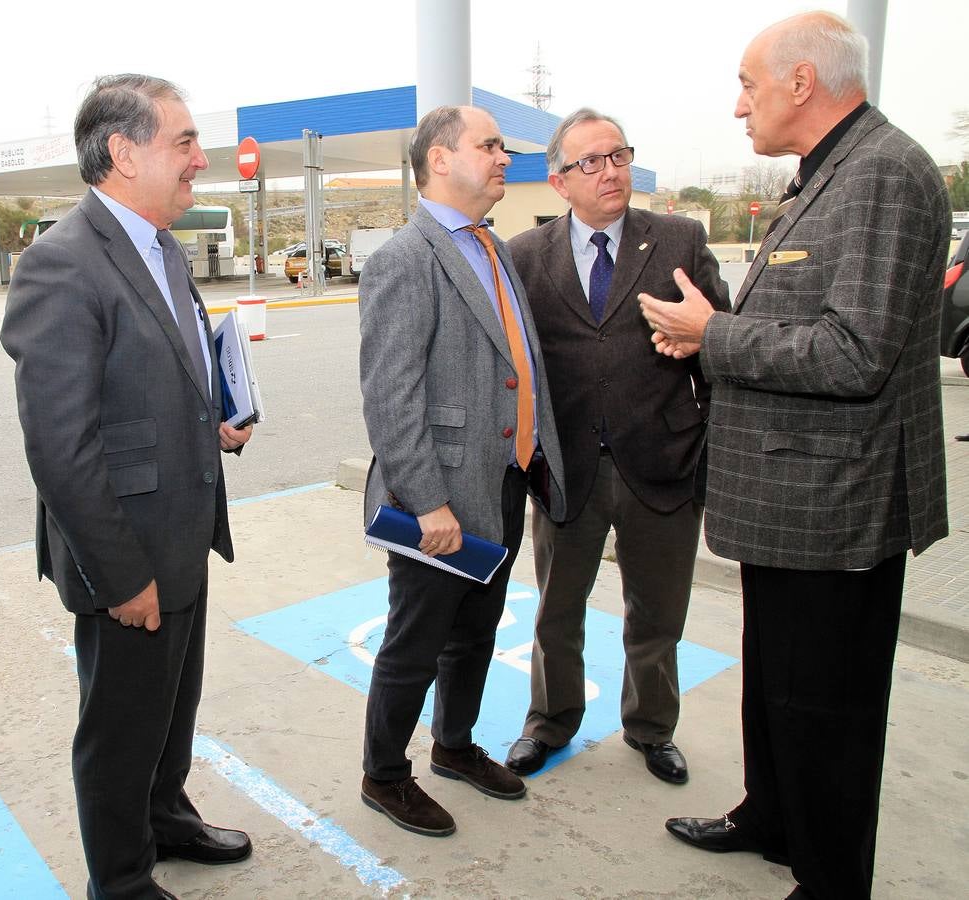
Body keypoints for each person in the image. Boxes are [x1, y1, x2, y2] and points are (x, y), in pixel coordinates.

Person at [639, 12, 949, 900]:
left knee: (827, 712)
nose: (739, 107)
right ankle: (770, 817)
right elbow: (801, 321)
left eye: (748, 84)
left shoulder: (883, 174)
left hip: (837, 506)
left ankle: (826, 879)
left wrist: (716, 336)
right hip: (791, 498)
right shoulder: (827, 175)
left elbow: (857, 353)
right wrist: (707, 336)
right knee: (777, 687)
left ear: (802, 82)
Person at [1, 74, 254, 900]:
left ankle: (166, 818)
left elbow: (149, 388)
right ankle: (120, 879)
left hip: (181, 528)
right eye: (183, 142)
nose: (201, 160)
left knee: (169, 710)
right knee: (119, 729)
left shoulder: (160, 246)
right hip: (127, 553)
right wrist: (121, 575)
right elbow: (61, 447)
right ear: (122, 152)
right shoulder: (61, 265)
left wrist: (210, 423)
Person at [358, 104, 566, 837]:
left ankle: (452, 746)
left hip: (500, 482)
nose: (504, 157)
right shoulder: (403, 259)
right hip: (437, 500)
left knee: (475, 631)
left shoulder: (493, 247)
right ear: (439, 159)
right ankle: (384, 774)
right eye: (489, 145)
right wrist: (426, 503)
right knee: (414, 643)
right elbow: (390, 395)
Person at [504, 109, 730, 784]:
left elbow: (718, 348)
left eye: (618, 156)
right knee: (556, 611)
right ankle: (549, 722)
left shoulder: (679, 241)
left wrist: (709, 451)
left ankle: (651, 728)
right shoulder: (523, 255)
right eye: (590, 163)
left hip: (662, 464)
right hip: (566, 472)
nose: (610, 172)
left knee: (657, 613)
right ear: (558, 181)